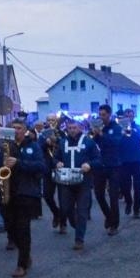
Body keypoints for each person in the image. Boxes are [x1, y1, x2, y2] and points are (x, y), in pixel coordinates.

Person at [2, 116, 47, 277]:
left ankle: (21, 265)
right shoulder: (6, 146)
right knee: (11, 229)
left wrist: (19, 163)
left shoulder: (33, 146)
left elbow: (41, 166)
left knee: (23, 228)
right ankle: (25, 254)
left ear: (25, 130)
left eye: (19, 128)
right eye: (13, 128)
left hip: (26, 192)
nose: (16, 131)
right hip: (8, 191)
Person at [52, 116, 100, 250]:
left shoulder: (89, 142)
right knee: (66, 209)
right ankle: (76, 225)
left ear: (80, 128)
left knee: (82, 211)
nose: (72, 130)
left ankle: (79, 239)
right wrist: (57, 163)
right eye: (70, 128)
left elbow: (98, 160)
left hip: (83, 182)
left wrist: (89, 165)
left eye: (74, 128)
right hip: (66, 182)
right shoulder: (62, 142)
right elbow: (55, 158)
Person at [91, 105, 123, 235]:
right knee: (98, 195)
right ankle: (109, 216)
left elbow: (116, 142)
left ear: (109, 114)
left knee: (113, 196)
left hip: (114, 165)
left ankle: (114, 225)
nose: (101, 117)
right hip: (100, 165)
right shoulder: (100, 128)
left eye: (103, 115)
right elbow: (96, 144)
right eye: (100, 115)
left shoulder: (116, 128)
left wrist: (101, 134)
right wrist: (95, 135)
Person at [118, 109, 140, 219]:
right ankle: (129, 202)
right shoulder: (119, 128)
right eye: (127, 116)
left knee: (137, 186)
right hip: (124, 161)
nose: (129, 118)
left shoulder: (138, 127)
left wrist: (135, 131)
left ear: (133, 117)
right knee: (125, 186)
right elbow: (114, 141)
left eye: (131, 116)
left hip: (137, 160)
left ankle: (136, 209)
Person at [39, 117, 63, 231]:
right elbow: (39, 148)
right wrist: (46, 143)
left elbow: (66, 146)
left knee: (63, 198)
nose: (51, 122)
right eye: (49, 120)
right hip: (48, 168)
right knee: (47, 195)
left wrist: (57, 140)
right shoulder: (43, 134)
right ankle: (56, 212)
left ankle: (63, 223)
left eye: (53, 120)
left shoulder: (62, 132)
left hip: (61, 167)